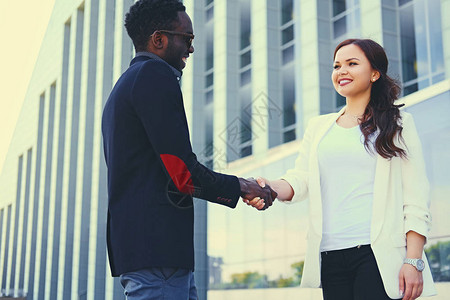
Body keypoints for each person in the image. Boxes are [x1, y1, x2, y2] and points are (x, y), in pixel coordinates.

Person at [101, 0, 276, 299]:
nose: (191, 49)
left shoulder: (124, 86)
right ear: (159, 39)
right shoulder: (154, 77)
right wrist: (242, 186)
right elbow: (182, 173)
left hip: (151, 255)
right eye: (187, 38)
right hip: (159, 257)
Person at [244, 38, 436, 300]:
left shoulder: (398, 123)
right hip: (330, 256)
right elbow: (301, 179)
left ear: (375, 73)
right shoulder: (319, 127)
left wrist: (413, 260)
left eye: (352, 63)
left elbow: (416, 198)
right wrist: (269, 188)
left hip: (377, 256)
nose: (341, 71)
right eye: (336, 66)